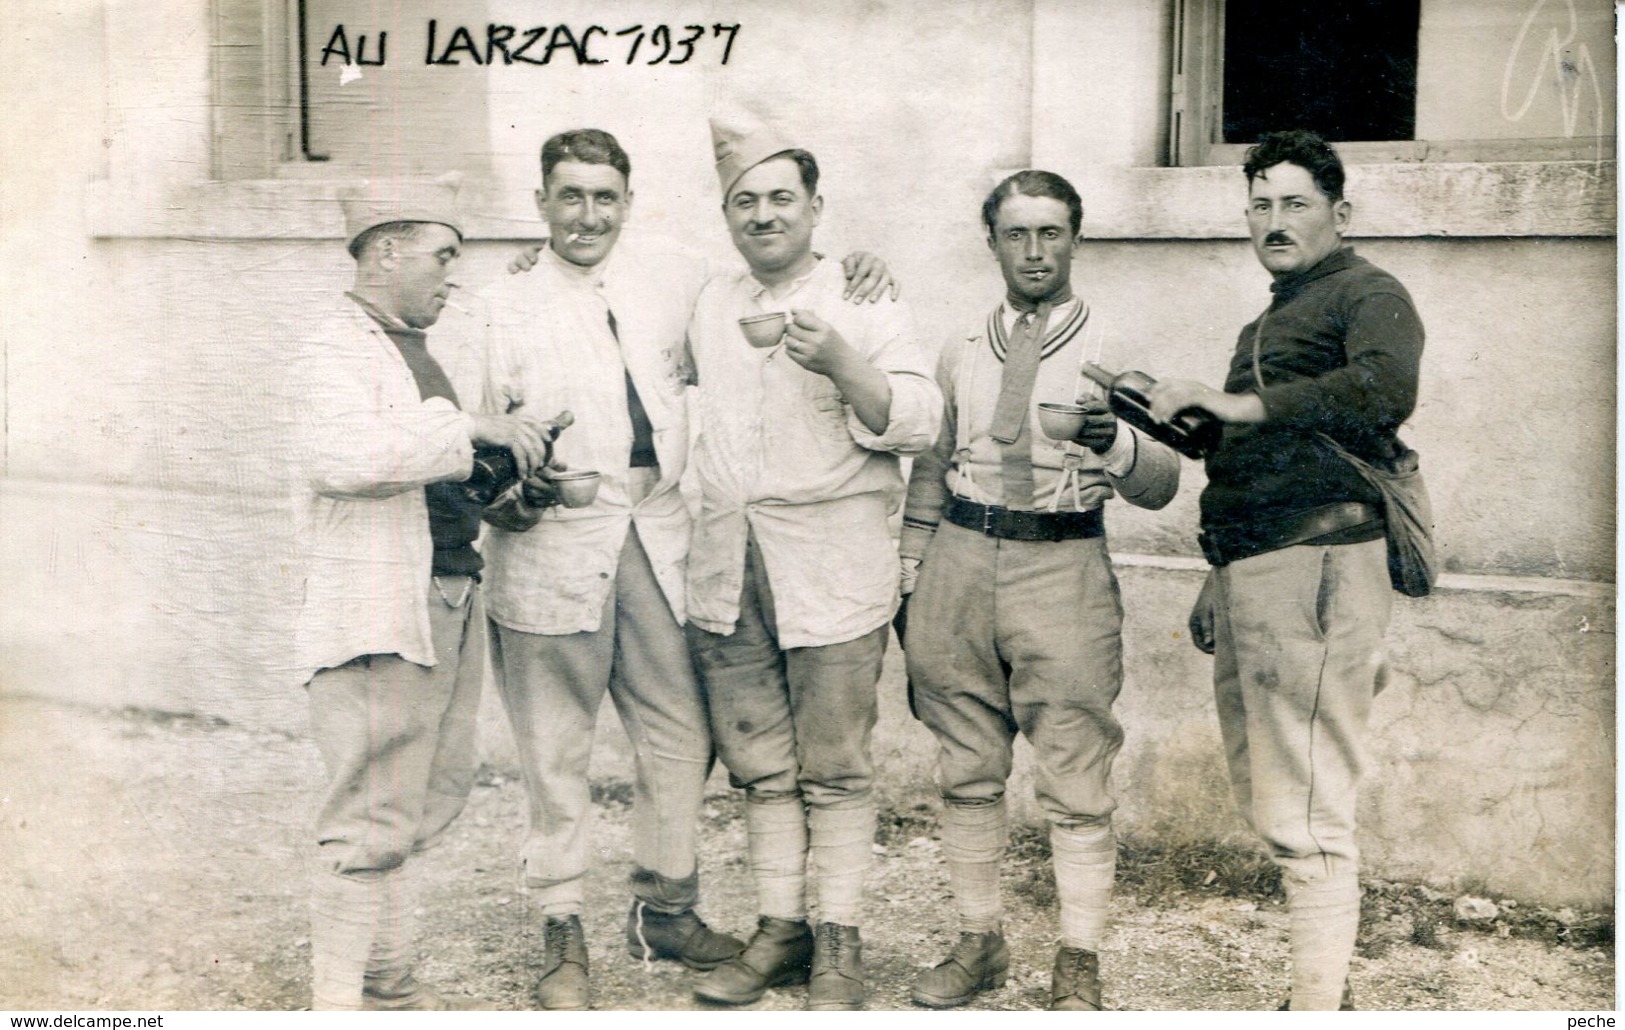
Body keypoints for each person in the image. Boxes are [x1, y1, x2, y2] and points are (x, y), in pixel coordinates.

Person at [477, 128, 898, 1011]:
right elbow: (478, 453)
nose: (587, 215)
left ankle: (664, 909)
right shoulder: (499, 302)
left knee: (681, 735)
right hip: (553, 542)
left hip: (660, 533)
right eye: (569, 196)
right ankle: (562, 935)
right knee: (556, 750)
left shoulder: (675, 282)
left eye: (604, 197)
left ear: (628, 203)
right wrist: (511, 498)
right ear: (541, 203)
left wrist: (855, 266)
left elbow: (782, 285)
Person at [1146, 130, 1425, 1011]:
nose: (1274, 220)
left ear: (1338, 214)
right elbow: (1248, 459)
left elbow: (1384, 388)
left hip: (1320, 566)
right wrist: (1214, 571)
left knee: (1306, 808)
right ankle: (1322, 995)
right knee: (1278, 797)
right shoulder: (1265, 322)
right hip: (1257, 571)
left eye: (1294, 202)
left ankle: (1315, 1011)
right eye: (1260, 204)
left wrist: (1240, 401)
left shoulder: (1369, 293)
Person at [896, 170, 1180, 1011]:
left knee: (1076, 771)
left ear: (1075, 239)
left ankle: (1077, 957)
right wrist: (911, 580)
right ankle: (979, 940)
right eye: (1015, 234)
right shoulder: (959, 346)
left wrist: (1117, 440)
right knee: (965, 765)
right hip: (960, 555)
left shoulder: (1115, 347)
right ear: (991, 243)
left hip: (1062, 565)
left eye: (1049, 232)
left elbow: (1163, 483)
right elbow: (927, 474)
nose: (1033, 250)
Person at [682, 109, 942, 1012]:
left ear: (815, 207)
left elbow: (917, 419)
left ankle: (839, 939)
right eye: (743, 201)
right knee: (759, 764)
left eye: (780, 198)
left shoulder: (862, 296)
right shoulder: (711, 302)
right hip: (728, 564)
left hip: (830, 566)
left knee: (833, 766)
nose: (762, 215)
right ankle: (780, 931)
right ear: (726, 215)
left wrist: (839, 360)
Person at [291, 176, 556, 1011]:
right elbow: (340, 458)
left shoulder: (418, 346)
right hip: (375, 606)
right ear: (386, 250)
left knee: (425, 797)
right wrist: (470, 427)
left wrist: (513, 477)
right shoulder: (328, 347)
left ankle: (390, 987)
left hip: (445, 593)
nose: (451, 275)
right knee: (369, 812)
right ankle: (338, 1004)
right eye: (443, 255)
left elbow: (435, 479)